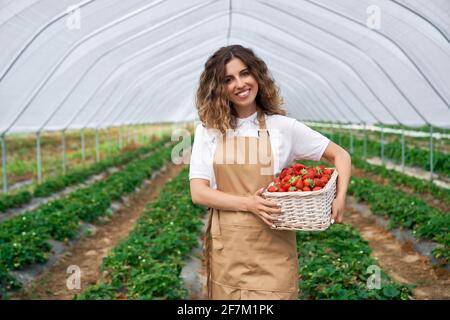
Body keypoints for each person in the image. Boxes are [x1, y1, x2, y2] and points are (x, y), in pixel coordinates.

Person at [189, 44, 351, 300]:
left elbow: (340, 155)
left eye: (245, 73)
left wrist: (339, 198)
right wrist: (248, 203)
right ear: (218, 88)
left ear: (257, 75)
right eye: (228, 79)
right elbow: (198, 192)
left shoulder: (283, 127)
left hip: (273, 246)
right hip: (229, 248)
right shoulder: (208, 131)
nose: (239, 84)